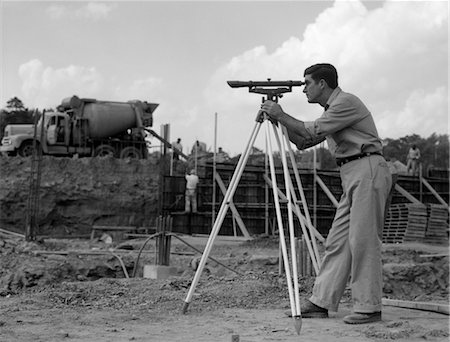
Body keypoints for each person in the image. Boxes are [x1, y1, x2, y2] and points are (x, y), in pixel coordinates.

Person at [261, 63, 392, 324]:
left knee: (363, 240)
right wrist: (276, 119)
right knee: (338, 241)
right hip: (352, 173)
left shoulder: (345, 102)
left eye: (307, 83)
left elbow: (312, 131)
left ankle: (369, 307)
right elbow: (303, 142)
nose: (304, 89)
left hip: (366, 168)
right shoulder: (332, 111)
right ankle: (321, 301)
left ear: (323, 83)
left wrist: (281, 113)